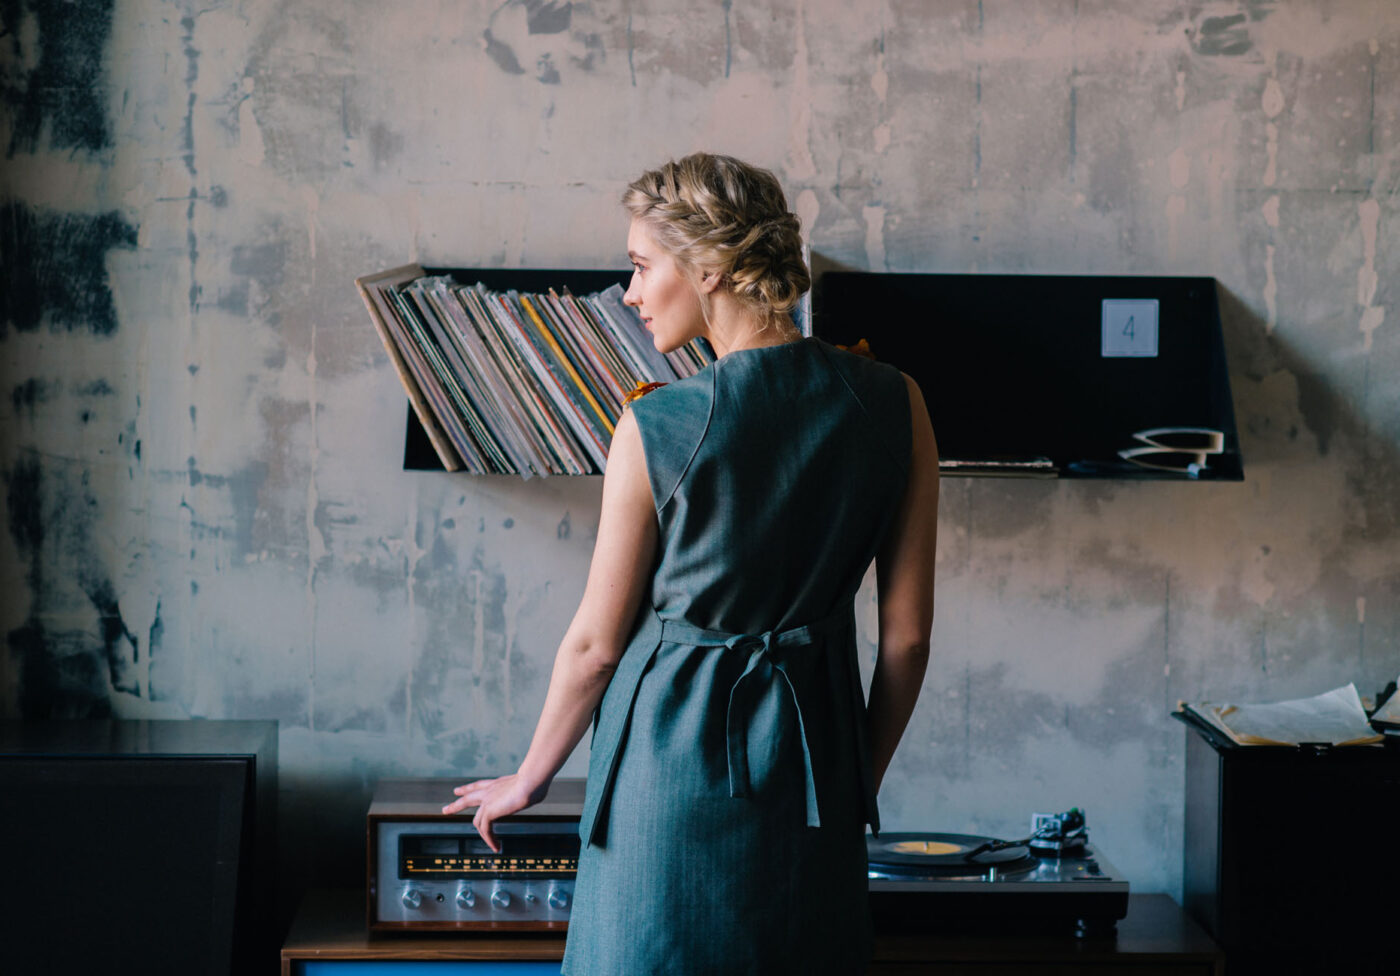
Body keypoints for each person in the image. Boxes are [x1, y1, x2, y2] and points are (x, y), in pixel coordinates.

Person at [444, 152, 939, 974]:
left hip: (664, 775)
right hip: (813, 773)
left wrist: (528, 779)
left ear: (712, 266)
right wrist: (854, 783)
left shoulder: (658, 425)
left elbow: (596, 646)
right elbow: (908, 641)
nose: (629, 294)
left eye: (641, 267)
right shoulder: (897, 401)